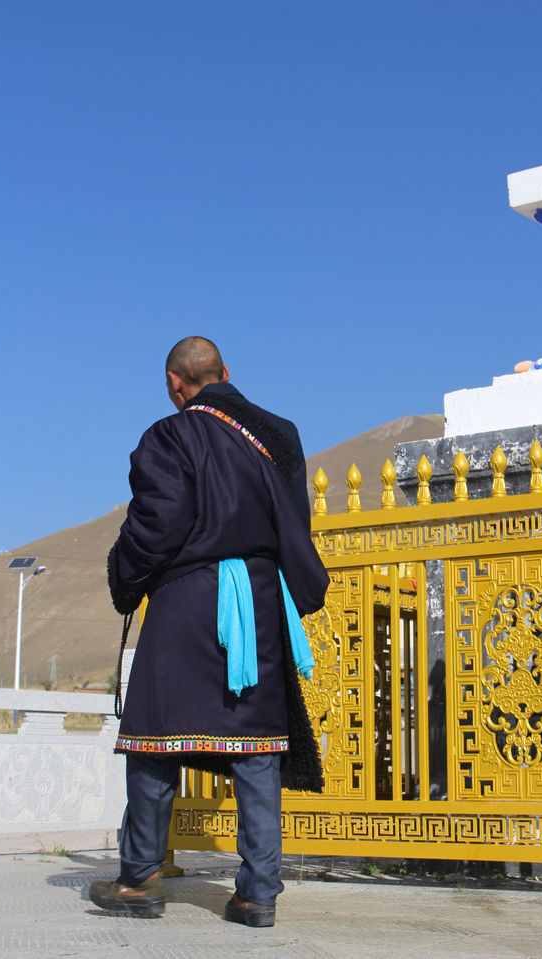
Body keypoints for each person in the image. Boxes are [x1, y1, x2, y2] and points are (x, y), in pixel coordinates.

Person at [89, 336, 329, 926]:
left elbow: (156, 525)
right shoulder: (280, 434)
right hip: (259, 598)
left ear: (175, 384)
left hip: (187, 600)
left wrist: (124, 576)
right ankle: (259, 894)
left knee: (154, 738)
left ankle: (140, 879)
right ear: (225, 373)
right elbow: (294, 519)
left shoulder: (169, 436)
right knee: (255, 746)